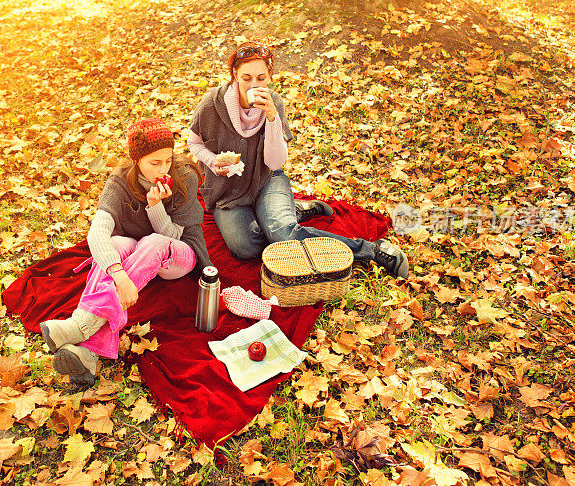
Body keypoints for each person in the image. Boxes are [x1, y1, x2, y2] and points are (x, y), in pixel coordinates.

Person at [187, 41, 409, 278]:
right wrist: (212, 162)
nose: (254, 85)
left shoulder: (275, 104)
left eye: (261, 78)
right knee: (245, 247)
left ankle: (371, 250)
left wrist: (272, 119)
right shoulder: (213, 103)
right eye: (247, 78)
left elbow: (274, 164)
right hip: (228, 190)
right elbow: (194, 142)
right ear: (234, 75)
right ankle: (292, 212)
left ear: (269, 76)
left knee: (283, 234)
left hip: (266, 179)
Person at [40, 118, 212, 384]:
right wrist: (120, 276)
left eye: (167, 160)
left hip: (178, 253)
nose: (163, 168)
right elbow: (97, 232)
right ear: (137, 160)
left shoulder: (185, 176)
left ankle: (79, 325)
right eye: (154, 163)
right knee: (116, 244)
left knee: (153, 241)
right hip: (137, 251)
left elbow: (171, 236)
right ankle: (87, 353)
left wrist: (156, 206)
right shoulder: (121, 181)